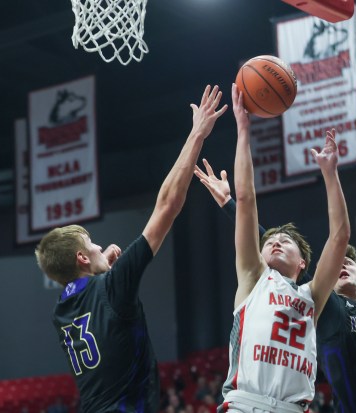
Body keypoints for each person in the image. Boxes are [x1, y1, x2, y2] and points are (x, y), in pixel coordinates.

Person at [194, 154, 356, 412]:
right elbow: (276, 248)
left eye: (350, 264)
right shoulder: (328, 307)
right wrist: (230, 204)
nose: (342, 265)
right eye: (338, 265)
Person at [34, 85, 228, 413]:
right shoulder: (112, 287)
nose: (100, 246)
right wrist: (197, 134)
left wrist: (102, 269)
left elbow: (97, 310)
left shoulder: (61, 311)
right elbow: (167, 205)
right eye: (92, 244)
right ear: (81, 257)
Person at [214, 84, 351, 412]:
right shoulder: (252, 278)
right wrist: (243, 130)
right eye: (270, 240)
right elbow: (246, 200)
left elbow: (340, 237)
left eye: (285, 240)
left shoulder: (311, 297)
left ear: (303, 262)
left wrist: (331, 175)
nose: (275, 240)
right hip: (245, 405)